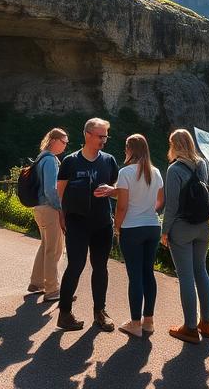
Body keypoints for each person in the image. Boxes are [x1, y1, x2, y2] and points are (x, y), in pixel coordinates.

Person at [56, 117, 120, 331]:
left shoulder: (109, 160)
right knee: (75, 266)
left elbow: (117, 186)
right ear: (88, 135)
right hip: (77, 222)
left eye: (106, 136)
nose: (104, 140)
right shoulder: (70, 161)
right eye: (101, 136)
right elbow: (60, 191)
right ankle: (64, 314)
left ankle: (100, 312)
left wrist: (113, 190)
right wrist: (61, 215)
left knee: (100, 267)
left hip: (102, 224)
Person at [161, 128, 209, 344]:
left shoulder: (174, 169)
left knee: (186, 276)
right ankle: (207, 323)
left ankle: (190, 327)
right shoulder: (203, 164)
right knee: (201, 270)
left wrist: (164, 231)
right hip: (203, 226)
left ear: (174, 145)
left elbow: (172, 205)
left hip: (182, 227)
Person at [113, 134, 164, 337]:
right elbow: (160, 202)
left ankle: (135, 323)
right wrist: (147, 210)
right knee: (148, 273)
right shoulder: (156, 172)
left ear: (130, 149)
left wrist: (117, 228)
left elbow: (122, 206)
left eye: (126, 148)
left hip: (132, 229)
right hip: (152, 227)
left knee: (135, 277)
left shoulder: (125, 172)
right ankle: (148, 321)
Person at [28, 128, 69, 301]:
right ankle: (52, 290)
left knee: (46, 245)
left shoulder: (41, 157)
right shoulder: (51, 160)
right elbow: (51, 190)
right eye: (64, 142)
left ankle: (37, 283)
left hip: (38, 207)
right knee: (55, 249)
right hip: (49, 208)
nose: (65, 146)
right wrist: (60, 209)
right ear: (54, 140)